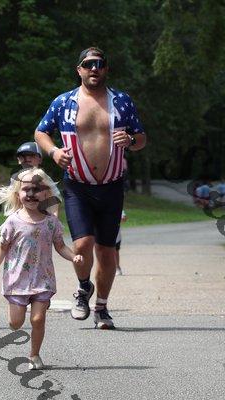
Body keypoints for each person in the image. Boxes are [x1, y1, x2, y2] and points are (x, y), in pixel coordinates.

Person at [34, 47, 146, 329]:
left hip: (111, 186)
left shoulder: (121, 101)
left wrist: (131, 141)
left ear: (106, 68)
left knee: (107, 252)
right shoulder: (64, 102)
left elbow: (142, 137)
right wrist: (53, 152)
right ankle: (84, 287)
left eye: (99, 63)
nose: (94, 68)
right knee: (82, 244)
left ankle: (102, 308)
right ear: (79, 70)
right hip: (78, 186)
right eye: (88, 64)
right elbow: (41, 131)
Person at [0, 168, 83, 369]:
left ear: (46, 193)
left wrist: (74, 256)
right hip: (17, 280)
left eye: (36, 189)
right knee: (16, 323)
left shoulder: (51, 222)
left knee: (38, 319)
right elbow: (1, 247)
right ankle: (15, 320)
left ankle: (34, 355)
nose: (31, 194)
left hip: (43, 279)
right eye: (26, 189)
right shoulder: (13, 221)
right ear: (18, 194)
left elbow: (60, 246)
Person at [115, 210, 127, 276]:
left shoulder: (117, 206)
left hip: (116, 235)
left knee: (115, 251)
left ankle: (117, 267)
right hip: (103, 234)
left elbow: (124, 218)